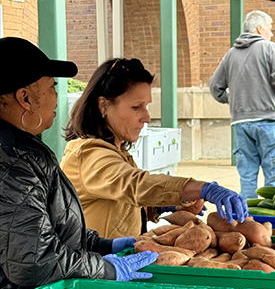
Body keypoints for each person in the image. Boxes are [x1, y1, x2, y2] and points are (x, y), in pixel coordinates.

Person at [0, 36, 161, 289]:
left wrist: (102, 245)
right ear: (25, 98)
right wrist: (107, 268)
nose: (57, 96)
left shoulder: (23, 149)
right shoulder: (12, 162)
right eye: (52, 87)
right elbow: (34, 261)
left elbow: (51, 230)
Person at [61, 58, 248, 239]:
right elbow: (136, 185)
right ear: (104, 106)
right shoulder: (89, 155)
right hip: (95, 266)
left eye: (146, 106)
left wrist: (166, 207)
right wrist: (202, 189)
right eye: (136, 107)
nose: (146, 117)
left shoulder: (117, 150)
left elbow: (123, 204)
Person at [208, 10, 275, 200]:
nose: (271, 34)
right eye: (270, 29)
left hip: (240, 123)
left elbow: (215, 87)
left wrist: (233, 99)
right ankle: (270, 221)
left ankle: (248, 220)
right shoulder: (269, 49)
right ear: (260, 28)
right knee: (273, 176)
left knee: (247, 177)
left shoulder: (230, 55)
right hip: (267, 121)